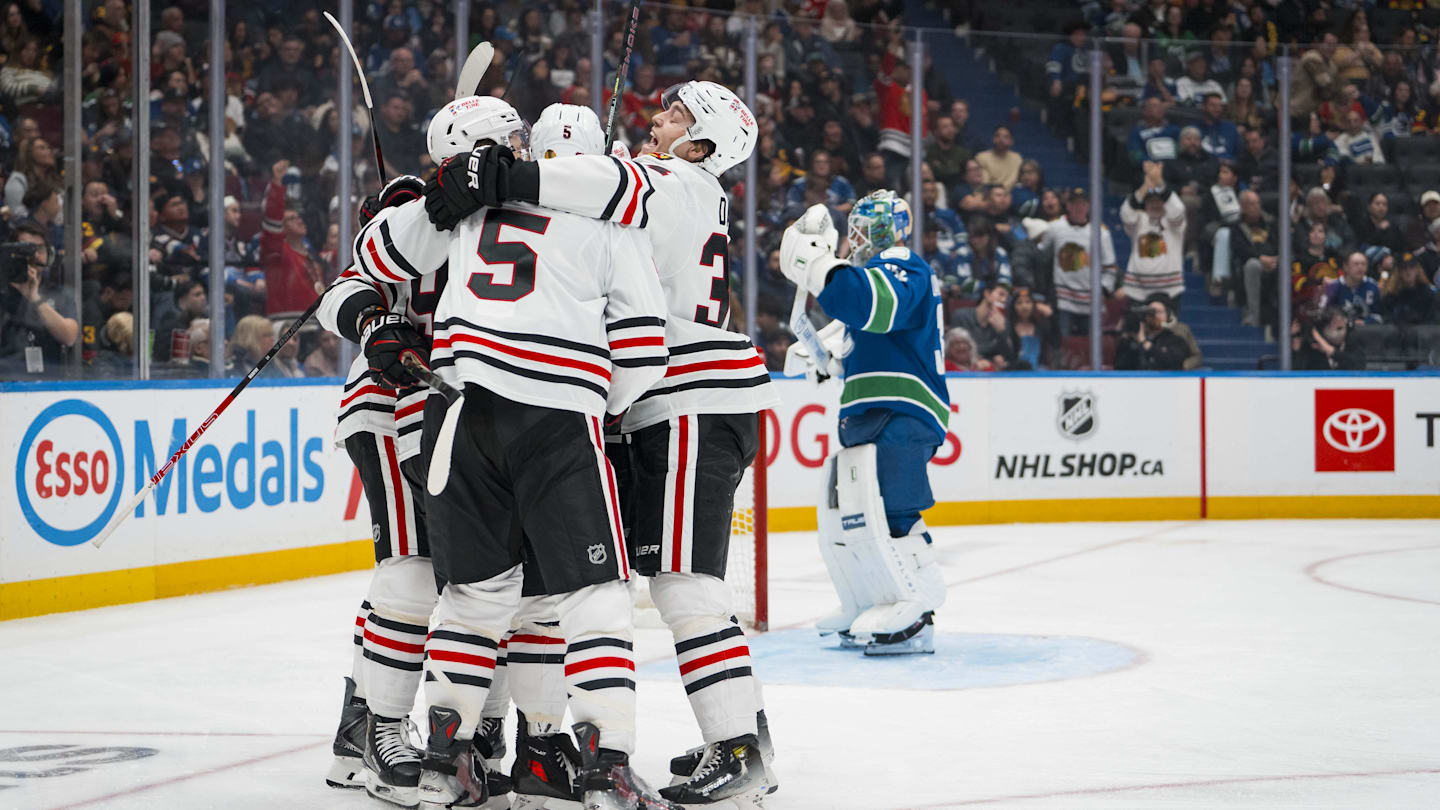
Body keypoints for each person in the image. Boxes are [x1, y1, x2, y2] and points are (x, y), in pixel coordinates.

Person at [429, 82, 782, 806]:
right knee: (609, 585)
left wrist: (508, 173)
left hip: (690, 401)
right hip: (670, 406)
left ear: (705, 145)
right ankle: (731, 735)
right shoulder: (682, 186)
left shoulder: (674, 181)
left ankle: (741, 748)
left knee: (685, 588)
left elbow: (604, 183)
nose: (658, 120)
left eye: (677, 116)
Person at [355, 96, 675, 810]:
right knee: (592, 599)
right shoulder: (608, 214)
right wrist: (603, 401)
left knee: (473, 600)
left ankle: (447, 763)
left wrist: (439, 197)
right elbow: (646, 344)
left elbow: (375, 256)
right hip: (555, 415)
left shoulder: (468, 210)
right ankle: (604, 764)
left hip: (457, 414)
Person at [779, 190, 948, 657]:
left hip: (904, 407)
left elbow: (874, 308)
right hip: (868, 409)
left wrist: (818, 266)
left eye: (858, 227)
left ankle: (919, 606)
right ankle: (867, 598)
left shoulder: (903, 266)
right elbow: (856, 332)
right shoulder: (876, 275)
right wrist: (820, 355)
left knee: (894, 507)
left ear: (879, 230)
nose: (851, 238)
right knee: (849, 515)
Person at [0, 223, 79, 375]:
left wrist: (35, 298)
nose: (35, 255)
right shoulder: (2, 291)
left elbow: (69, 336)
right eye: (26, 249)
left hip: (49, 384)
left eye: (40, 249)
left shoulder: (60, 293)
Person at [1037, 187, 1117, 336]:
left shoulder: (1101, 233)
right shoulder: (1055, 228)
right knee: (1063, 344)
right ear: (1067, 206)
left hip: (1090, 303)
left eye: (1082, 204)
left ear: (1088, 206)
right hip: (1062, 301)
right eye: (1074, 204)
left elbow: (1110, 267)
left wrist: (1104, 290)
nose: (1078, 208)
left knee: (1089, 346)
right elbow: (1041, 255)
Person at [1119, 162, 1186, 308]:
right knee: (1137, 331)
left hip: (1170, 291)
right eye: (1151, 201)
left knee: (1167, 330)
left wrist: (1160, 183)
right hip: (1137, 290)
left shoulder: (1175, 224)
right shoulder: (1139, 220)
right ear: (1145, 204)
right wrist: (1144, 188)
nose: (1155, 204)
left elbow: (1177, 210)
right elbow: (1126, 214)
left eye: (1159, 201)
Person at [1114, 298, 1195, 370]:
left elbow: (1174, 363)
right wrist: (1126, 337)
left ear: (1167, 316)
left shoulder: (1175, 340)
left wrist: (1146, 344)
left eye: (1159, 312)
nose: (1154, 316)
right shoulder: (1132, 340)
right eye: (1151, 312)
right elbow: (1120, 366)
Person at [952, 282, 1016, 369]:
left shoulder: (1004, 323)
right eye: (1001, 294)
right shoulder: (961, 316)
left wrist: (1002, 331)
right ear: (987, 294)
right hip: (963, 369)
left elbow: (1009, 357)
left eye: (1006, 297)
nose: (1004, 300)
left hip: (991, 371)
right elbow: (955, 348)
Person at [1322, 251, 1383, 324]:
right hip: (1339, 329)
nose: (1360, 267)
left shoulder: (1373, 286)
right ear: (1346, 266)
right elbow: (1323, 313)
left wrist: (1365, 322)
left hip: (1366, 330)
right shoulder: (1333, 286)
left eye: (1363, 264)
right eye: (1356, 264)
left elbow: (1379, 316)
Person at [1296, 306, 1365, 370]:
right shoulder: (1314, 348)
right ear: (1325, 327)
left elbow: (1357, 365)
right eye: (1335, 323)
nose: (1339, 325)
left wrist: (1329, 349)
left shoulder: (1353, 343)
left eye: (1341, 327)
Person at [1379, 257, 1436, 325]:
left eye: (1411, 267)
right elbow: (1386, 320)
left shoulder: (1428, 295)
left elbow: (1433, 320)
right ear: (1398, 272)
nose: (1408, 271)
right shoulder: (1390, 298)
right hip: (1397, 333)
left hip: (1424, 333)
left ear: (1417, 270)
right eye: (1404, 268)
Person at [976, 125, 1022, 190]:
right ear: (993, 139)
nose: (1001, 139)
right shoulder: (982, 157)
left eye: (1006, 137)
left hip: (1009, 195)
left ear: (1011, 141)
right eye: (997, 136)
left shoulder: (1017, 158)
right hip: (987, 195)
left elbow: (1014, 180)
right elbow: (985, 182)